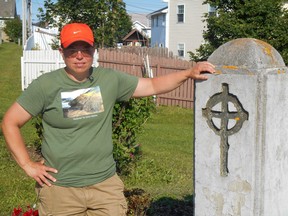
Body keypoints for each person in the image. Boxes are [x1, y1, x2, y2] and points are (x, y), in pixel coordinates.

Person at [2, 23, 215, 215]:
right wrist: (27, 164)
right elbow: (10, 122)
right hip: (61, 190)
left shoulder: (109, 79)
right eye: (72, 49)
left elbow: (151, 85)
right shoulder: (46, 85)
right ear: (61, 52)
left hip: (104, 187)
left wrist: (188, 73)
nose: (79, 55)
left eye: (85, 48)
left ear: (93, 50)